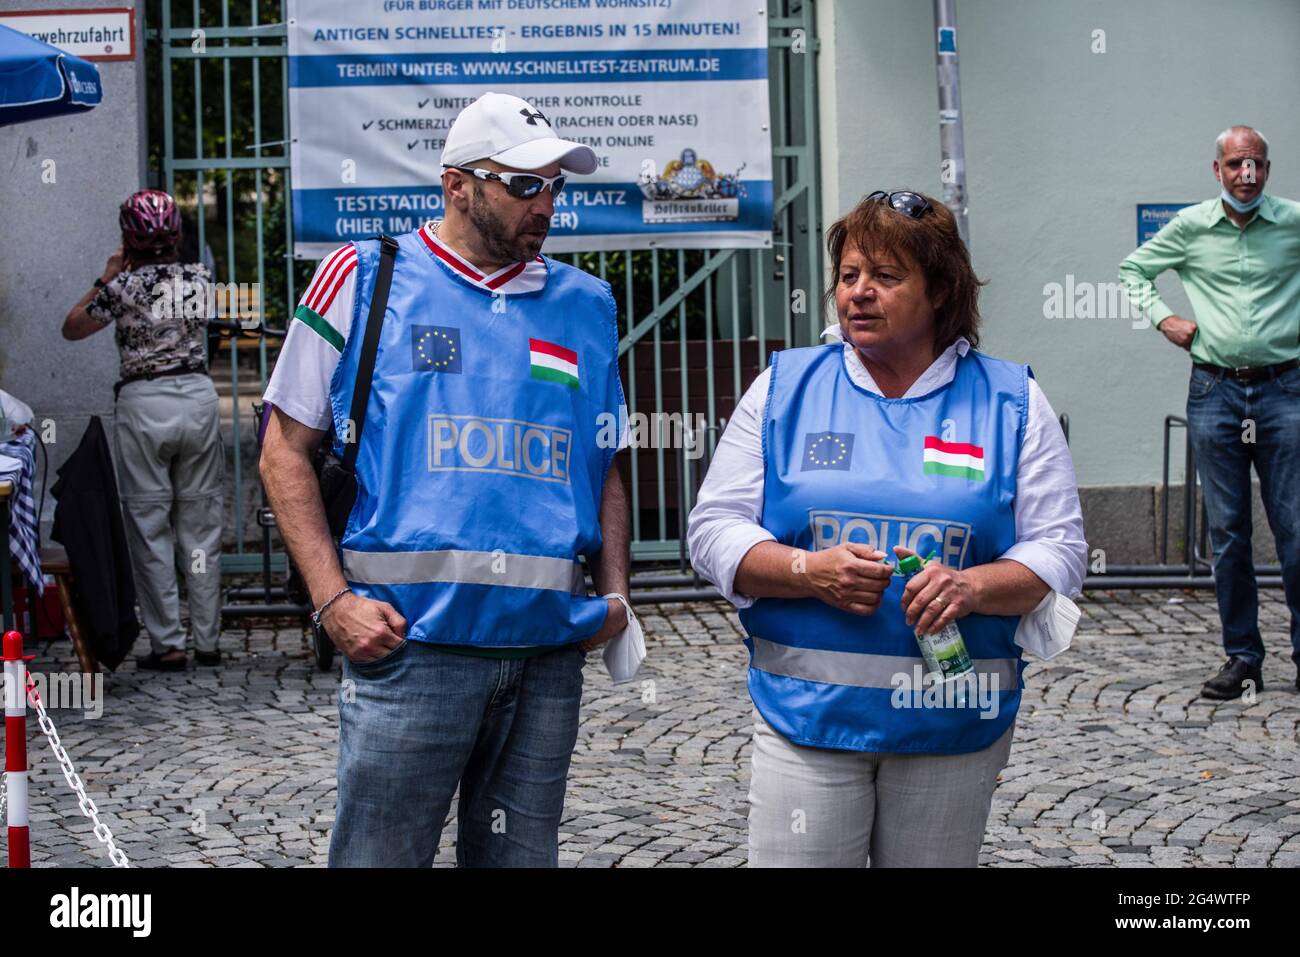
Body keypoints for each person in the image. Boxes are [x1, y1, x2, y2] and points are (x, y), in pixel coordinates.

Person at [259, 92, 634, 868]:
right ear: (457, 186)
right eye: (524, 183)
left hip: (544, 656)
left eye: (555, 184)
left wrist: (616, 594)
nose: (546, 203)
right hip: (409, 651)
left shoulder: (587, 305)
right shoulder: (364, 277)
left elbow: (607, 459)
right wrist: (333, 603)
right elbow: (282, 449)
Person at [687, 190, 1087, 867]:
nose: (858, 293)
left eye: (885, 276)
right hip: (806, 717)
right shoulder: (786, 387)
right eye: (848, 275)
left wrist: (971, 585)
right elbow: (713, 528)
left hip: (953, 720)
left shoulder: (1010, 400)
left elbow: (1060, 548)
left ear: (939, 291)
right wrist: (805, 570)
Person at [1119, 125, 1300, 701]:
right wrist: (1163, 319)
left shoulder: (1293, 222)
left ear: (1267, 171)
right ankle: (1243, 658)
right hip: (1215, 393)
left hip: (1285, 391)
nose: (1246, 174)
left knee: (1295, 529)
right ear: (1217, 171)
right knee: (1228, 533)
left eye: (1257, 165)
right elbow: (1133, 271)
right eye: (1235, 164)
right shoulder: (1192, 227)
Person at [62, 189, 225, 671]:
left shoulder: (122, 288)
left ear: (127, 237)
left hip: (143, 403)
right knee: (201, 524)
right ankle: (210, 641)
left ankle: (168, 643)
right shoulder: (200, 277)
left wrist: (108, 275)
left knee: (149, 526)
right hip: (197, 398)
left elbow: (72, 328)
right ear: (176, 233)